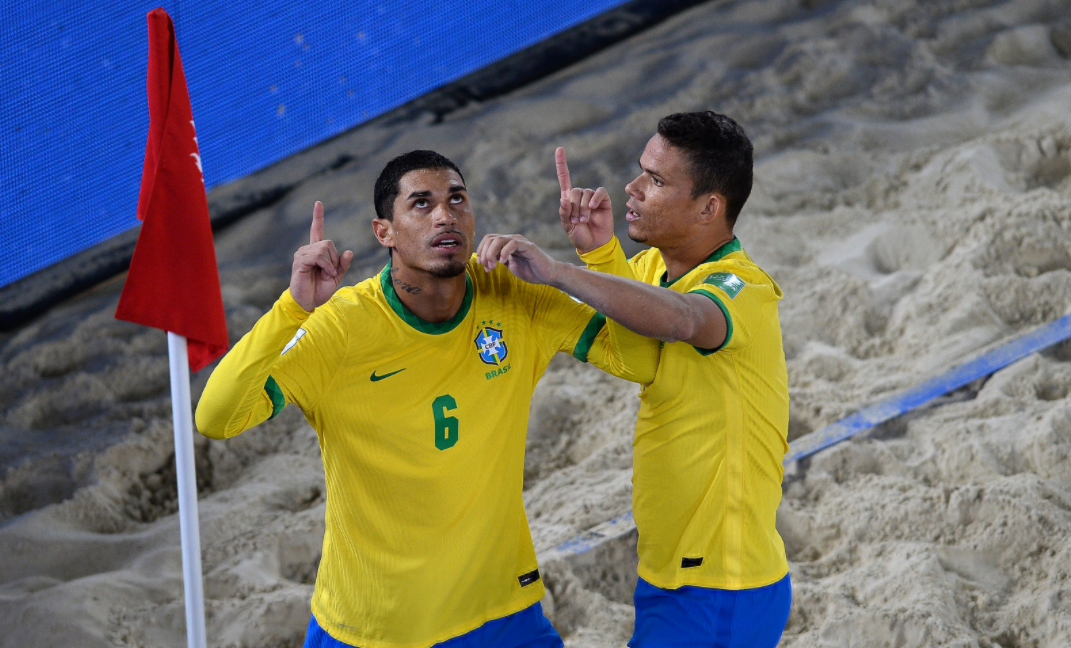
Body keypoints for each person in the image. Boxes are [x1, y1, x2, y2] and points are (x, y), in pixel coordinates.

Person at [195, 150, 659, 648]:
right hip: (379, 627)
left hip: (500, 609)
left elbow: (638, 361)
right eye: (421, 203)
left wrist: (600, 254)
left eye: (457, 199)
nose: (445, 214)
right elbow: (218, 418)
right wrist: (292, 309)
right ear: (384, 232)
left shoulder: (516, 293)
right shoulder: (341, 328)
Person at [477, 111, 791, 648]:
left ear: (709, 208)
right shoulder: (651, 270)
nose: (633, 188)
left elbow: (684, 319)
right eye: (641, 171)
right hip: (670, 573)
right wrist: (597, 252)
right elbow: (634, 359)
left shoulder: (742, 287)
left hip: (722, 583)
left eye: (657, 180)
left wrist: (556, 271)